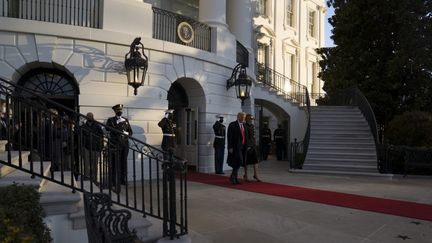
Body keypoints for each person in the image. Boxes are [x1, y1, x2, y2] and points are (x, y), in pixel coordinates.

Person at [106, 104, 133, 186]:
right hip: (115, 144)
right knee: (114, 163)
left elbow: (130, 132)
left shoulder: (125, 120)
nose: (120, 111)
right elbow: (107, 128)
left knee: (123, 162)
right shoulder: (111, 120)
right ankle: (113, 181)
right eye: (118, 110)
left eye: (121, 110)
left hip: (124, 144)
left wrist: (126, 133)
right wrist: (118, 125)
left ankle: (122, 180)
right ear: (115, 111)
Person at [81, 112, 104, 181]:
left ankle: (94, 180)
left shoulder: (97, 126)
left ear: (93, 117)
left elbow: (102, 136)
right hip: (86, 147)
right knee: (86, 164)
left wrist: (101, 147)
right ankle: (86, 179)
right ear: (86, 117)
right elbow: (79, 135)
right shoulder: (83, 126)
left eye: (91, 116)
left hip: (95, 148)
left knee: (94, 165)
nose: (90, 117)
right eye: (88, 116)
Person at [227, 112, 248, 185]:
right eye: (242, 117)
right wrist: (230, 147)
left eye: (244, 117)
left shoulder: (244, 125)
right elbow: (229, 137)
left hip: (243, 146)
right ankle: (233, 176)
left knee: (238, 162)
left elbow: (245, 136)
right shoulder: (232, 125)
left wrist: (247, 145)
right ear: (238, 117)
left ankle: (234, 177)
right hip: (235, 147)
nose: (243, 119)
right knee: (240, 161)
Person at [243, 114, 261, 182]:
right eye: (250, 119)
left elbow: (253, 136)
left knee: (256, 161)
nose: (251, 120)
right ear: (247, 119)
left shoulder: (252, 126)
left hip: (253, 145)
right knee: (246, 161)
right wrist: (247, 146)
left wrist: (254, 144)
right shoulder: (244, 126)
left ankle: (256, 175)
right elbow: (245, 137)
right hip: (247, 146)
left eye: (252, 119)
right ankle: (246, 176)